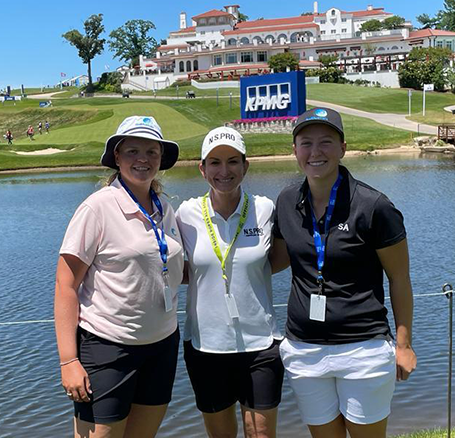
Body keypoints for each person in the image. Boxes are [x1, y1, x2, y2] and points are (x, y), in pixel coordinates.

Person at [270, 108, 416, 438]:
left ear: (343, 148)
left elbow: (399, 278)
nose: (315, 152)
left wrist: (404, 344)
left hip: (362, 350)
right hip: (304, 352)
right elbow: (276, 260)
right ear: (294, 151)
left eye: (326, 142)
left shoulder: (374, 206)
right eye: (306, 143)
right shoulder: (286, 201)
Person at [55, 115, 184, 438]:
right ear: (117, 156)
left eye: (152, 152)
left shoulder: (164, 208)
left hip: (162, 345)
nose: (143, 159)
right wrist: (68, 360)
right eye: (132, 151)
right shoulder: (97, 208)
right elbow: (65, 285)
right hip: (107, 348)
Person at [176, 127, 284, 438]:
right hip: (206, 346)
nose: (225, 171)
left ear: (246, 166)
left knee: (261, 435)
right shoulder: (185, 214)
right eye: (215, 163)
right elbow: (177, 269)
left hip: (261, 343)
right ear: (202, 169)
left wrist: (247, 275)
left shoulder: (265, 208)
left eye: (233, 161)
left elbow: (278, 259)